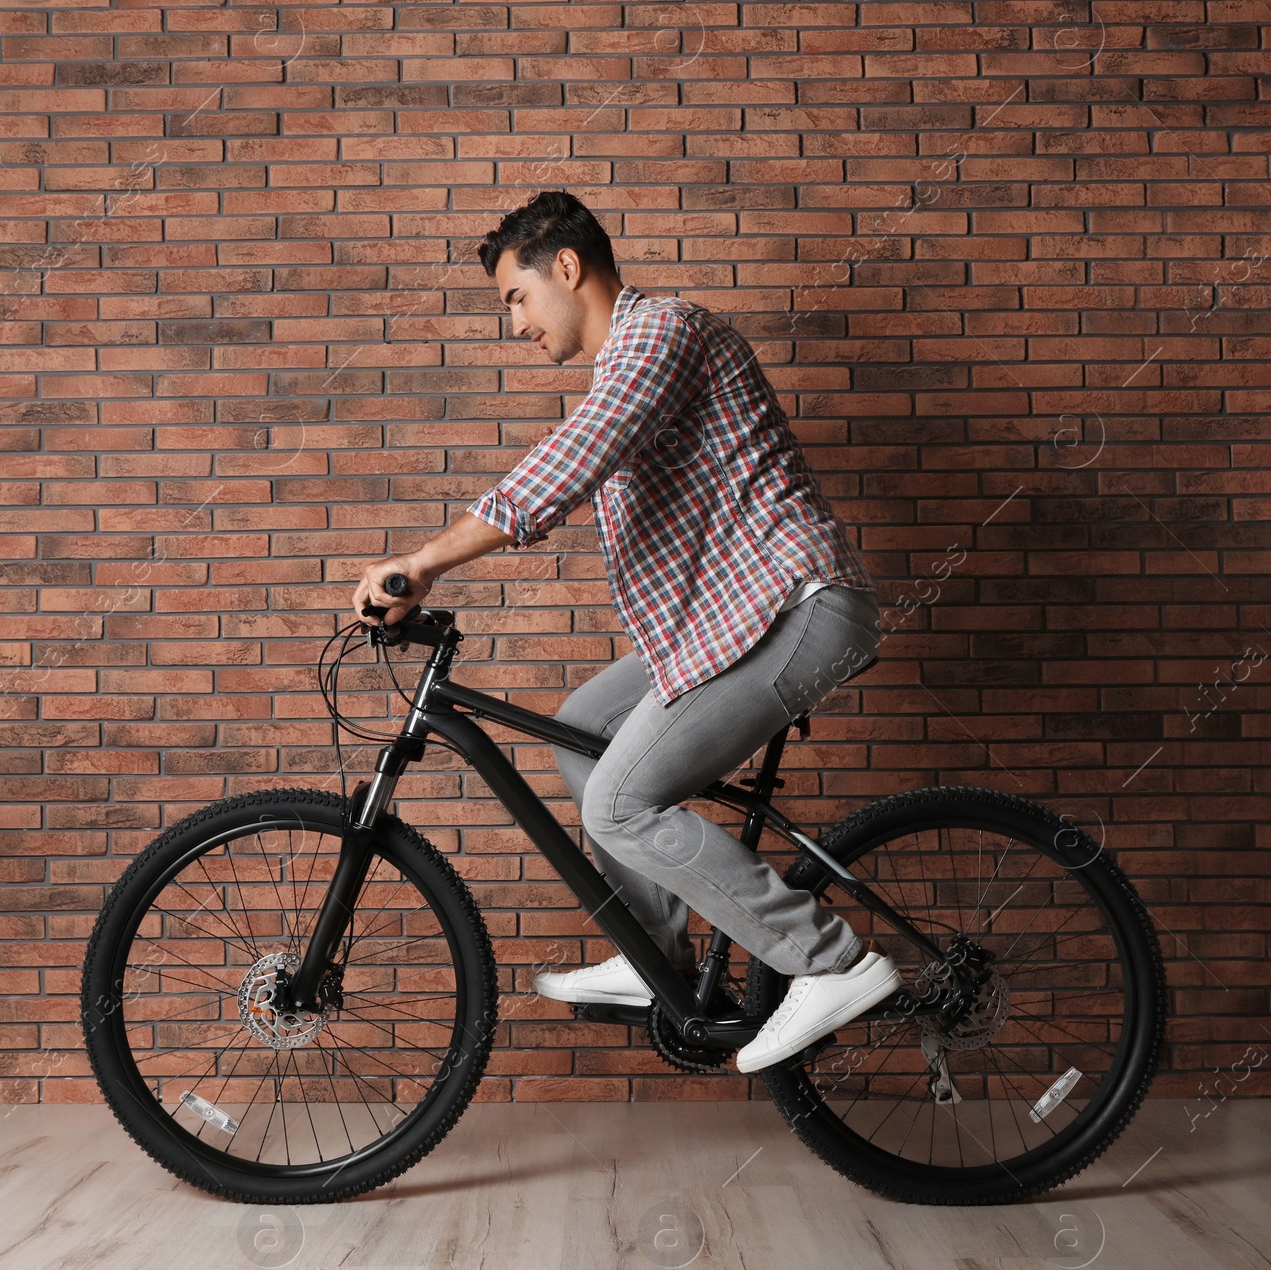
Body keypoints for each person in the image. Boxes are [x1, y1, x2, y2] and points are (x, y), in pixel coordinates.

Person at [351, 190, 901, 1073]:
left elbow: (566, 468)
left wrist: (425, 561)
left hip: (797, 606)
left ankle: (830, 962)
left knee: (618, 800)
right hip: (727, 622)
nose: (516, 325)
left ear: (565, 268)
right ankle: (659, 956)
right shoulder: (624, 370)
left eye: (515, 298)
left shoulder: (662, 333)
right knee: (584, 731)